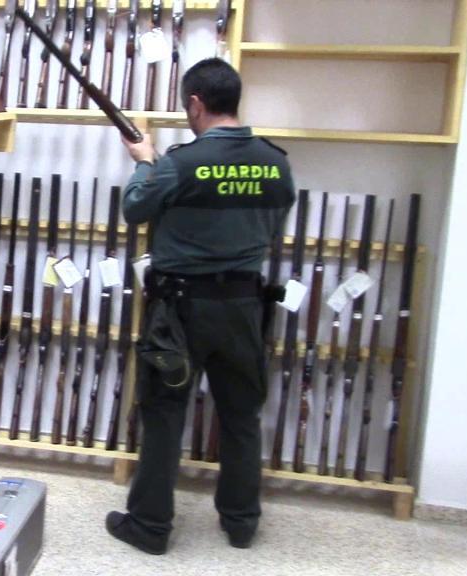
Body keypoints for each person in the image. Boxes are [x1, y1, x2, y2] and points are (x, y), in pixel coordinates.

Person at [106, 57, 296, 554]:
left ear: (196, 103)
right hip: (243, 306)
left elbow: (134, 209)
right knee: (240, 416)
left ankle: (149, 527)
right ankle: (240, 522)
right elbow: (274, 229)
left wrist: (144, 160)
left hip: (180, 309)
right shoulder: (276, 162)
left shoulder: (179, 163)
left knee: (165, 412)